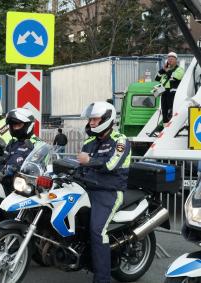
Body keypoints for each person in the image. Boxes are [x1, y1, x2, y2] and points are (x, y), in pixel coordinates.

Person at [77, 101, 131, 283]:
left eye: (95, 119)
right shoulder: (89, 141)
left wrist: (89, 160)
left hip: (109, 192)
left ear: (107, 119)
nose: (91, 123)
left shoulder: (120, 140)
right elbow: (81, 167)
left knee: (97, 231)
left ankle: (102, 279)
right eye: (90, 119)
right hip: (87, 188)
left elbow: (111, 164)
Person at [0, 108, 41, 189]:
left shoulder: (36, 144)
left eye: (18, 125)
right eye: (13, 125)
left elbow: (39, 169)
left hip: (25, 187)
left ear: (28, 125)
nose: (15, 128)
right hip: (7, 183)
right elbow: (3, 161)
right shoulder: (12, 143)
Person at [154, 52, 185, 124]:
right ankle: (165, 129)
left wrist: (167, 70)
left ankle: (172, 128)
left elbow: (177, 77)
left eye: (172, 59)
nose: (170, 60)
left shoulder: (179, 69)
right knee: (164, 112)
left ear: (176, 60)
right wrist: (162, 70)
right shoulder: (164, 70)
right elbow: (156, 78)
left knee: (171, 112)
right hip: (164, 93)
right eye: (169, 59)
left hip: (173, 94)